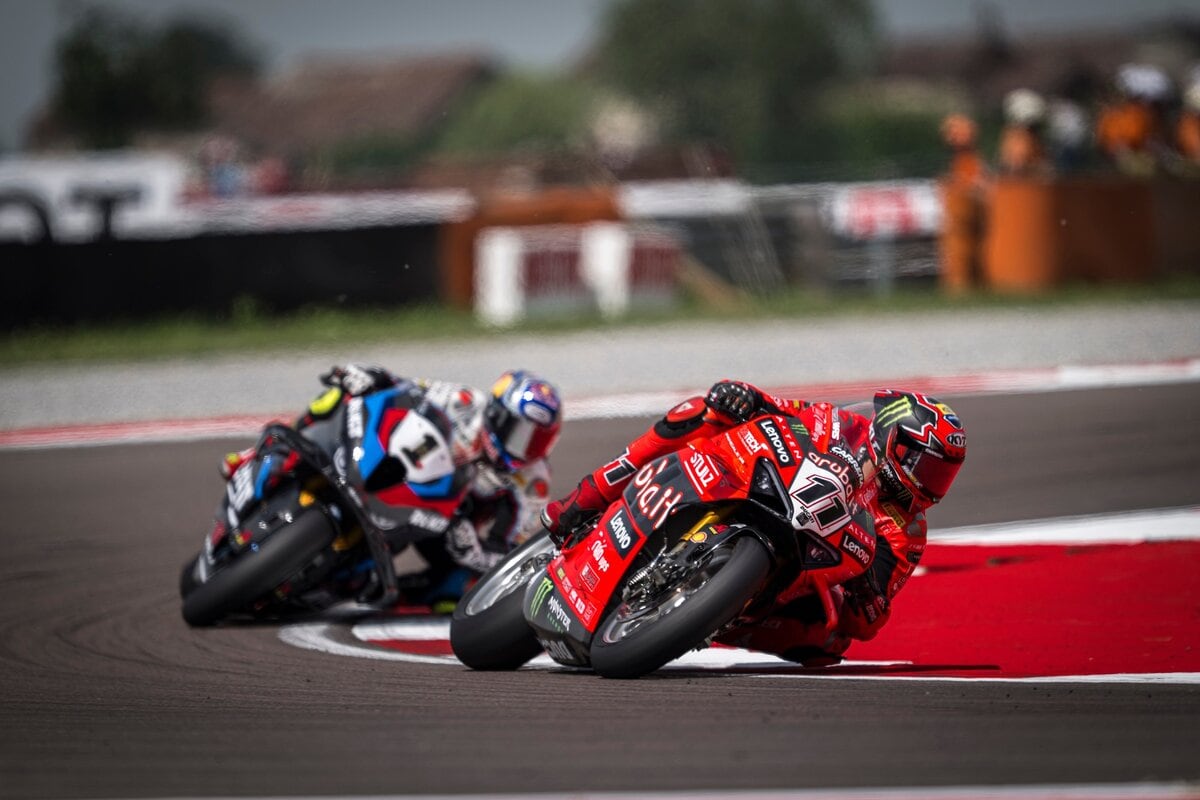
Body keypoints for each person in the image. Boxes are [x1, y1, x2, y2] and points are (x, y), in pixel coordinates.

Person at [541, 379, 966, 666]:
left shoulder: (906, 531)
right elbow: (780, 408)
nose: (929, 483)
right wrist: (743, 397)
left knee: (829, 645)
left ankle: (705, 617)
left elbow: (870, 621)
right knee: (702, 411)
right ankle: (588, 496)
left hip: (796, 571)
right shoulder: (840, 423)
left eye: (941, 474)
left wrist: (866, 594)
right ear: (894, 439)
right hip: (752, 484)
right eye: (924, 466)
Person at [223, 365, 563, 610]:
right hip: (405, 473)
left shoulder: (532, 482)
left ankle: (389, 592)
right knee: (334, 398)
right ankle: (261, 452)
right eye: (519, 432)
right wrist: (371, 378)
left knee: (462, 590)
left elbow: (518, 556)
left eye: (536, 440)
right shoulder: (463, 401)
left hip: (446, 527)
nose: (523, 446)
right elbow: (407, 388)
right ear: (496, 411)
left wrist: (474, 550)